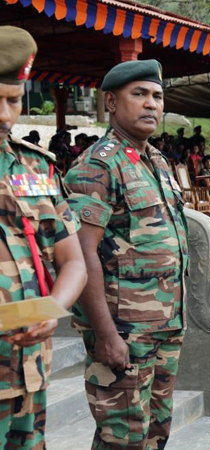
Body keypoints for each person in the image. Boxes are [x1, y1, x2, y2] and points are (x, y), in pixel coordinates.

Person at [64, 59, 190, 450]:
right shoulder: (97, 166)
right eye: (139, 94)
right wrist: (105, 334)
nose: (151, 104)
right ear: (111, 102)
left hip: (165, 325)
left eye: (157, 96)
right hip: (124, 331)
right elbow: (82, 254)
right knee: (122, 437)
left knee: (155, 434)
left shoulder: (157, 161)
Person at [0, 26, 87, 449]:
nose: (4, 115)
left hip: (27, 371)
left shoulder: (36, 168)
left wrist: (54, 310)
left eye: (14, 101)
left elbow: (73, 262)